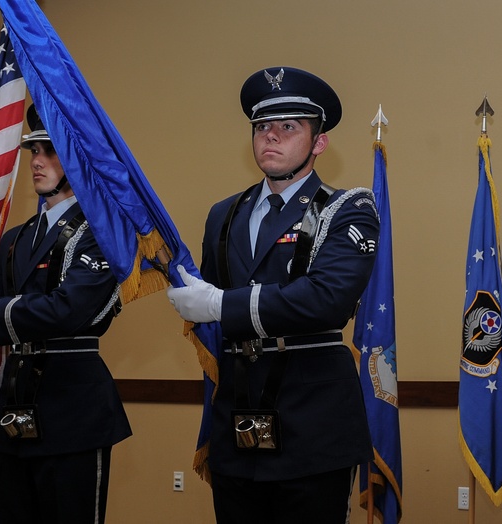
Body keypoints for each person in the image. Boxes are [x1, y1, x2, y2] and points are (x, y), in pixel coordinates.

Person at [166, 66, 379, 523]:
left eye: (289, 127)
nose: (271, 137)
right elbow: (209, 296)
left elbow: (327, 298)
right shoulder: (223, 214)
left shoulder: (348, 210)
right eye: (263, 126)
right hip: (236, 420)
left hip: (313, 423)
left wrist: (222, 305)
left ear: (319, 142)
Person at [0, 105, 130, 524]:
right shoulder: (14, 238)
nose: (36, 160)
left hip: (73, 405)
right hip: (16, 402)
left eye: (50, 151)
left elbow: (70, 309)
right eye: (33, 149)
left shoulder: (102, 230)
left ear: (78, 160)